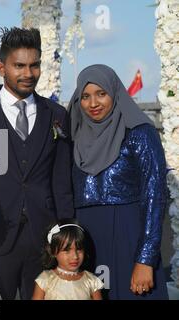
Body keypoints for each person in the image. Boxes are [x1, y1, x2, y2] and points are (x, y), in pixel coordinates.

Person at [0, 27, 74, 299]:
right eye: (19, 66)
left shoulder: (56, 114)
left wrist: (66, 231)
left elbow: (62, 181)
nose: (28, 73)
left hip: (44, 239)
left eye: (34, 65)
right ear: (1, 67)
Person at [68, 64, 169, 300]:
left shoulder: (140, 132)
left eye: (101, 94)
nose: (93, 103)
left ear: (115, 93)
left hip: (129, 234)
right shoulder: (74, 135)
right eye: (85, 96)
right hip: (87, 241)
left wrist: (145, 259)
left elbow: (155, 196)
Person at [32, 220, 103, 300]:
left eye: (79, 249)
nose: (75, 256)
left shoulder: (91, 281)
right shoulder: (45, 280)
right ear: (53, 251)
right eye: (67, 250)